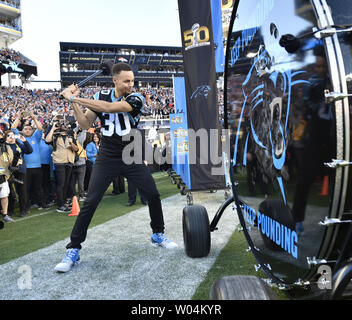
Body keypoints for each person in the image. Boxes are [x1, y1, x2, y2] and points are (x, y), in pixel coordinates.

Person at [55, 62, 177, 273]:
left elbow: (109, 108)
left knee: (152, 194)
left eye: (132, 80)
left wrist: (74, 97)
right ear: (115, 80)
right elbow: (84, 124)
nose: (131, 84)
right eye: (126, 81)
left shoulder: (136, 98)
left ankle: (157, 234)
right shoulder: (101, 95)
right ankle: (73, 248)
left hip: (131, 152)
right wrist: (73, 103)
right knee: (91, 201)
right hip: (108, 155)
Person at [45, 115, 78, 213]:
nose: (64, 125)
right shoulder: (55, 134)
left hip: (69, 161)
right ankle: (60, 205)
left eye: (66, 123)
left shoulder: (71, 134)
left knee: (66, 184)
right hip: (59, 161)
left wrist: (72, 143)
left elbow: (76, 149)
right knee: (61, 183)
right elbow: (47, 140)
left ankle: (63, 203)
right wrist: (53, 127)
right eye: (62, 123)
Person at [5, 130, 33, 217]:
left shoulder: (18, 144)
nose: (11, 137)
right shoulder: (4, 146)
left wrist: (24, 141)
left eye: (12, 135)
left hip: (20, 170)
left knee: (22, 191)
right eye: (9, 135)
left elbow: (29, 150)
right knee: (9, 192)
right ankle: (10, 211)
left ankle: (23, 210)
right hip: (8, 171)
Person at [0, 130, 14, 223]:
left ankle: (5, 214)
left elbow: (11, 160)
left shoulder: (6, 147)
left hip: (3, 175)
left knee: (4, 195)